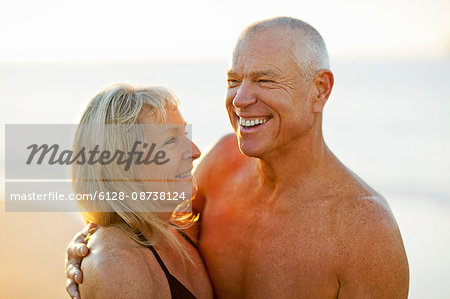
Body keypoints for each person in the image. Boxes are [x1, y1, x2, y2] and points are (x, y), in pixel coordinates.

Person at [66, 17, 409, 298]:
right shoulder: (221, 165)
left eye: (265, 79)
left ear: (319, 89)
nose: (241, 99)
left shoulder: (366, 232)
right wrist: (97, 242)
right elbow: (151, 225)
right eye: (233, 80)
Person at [69, 83, 213, 299]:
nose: (195, 152)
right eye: (171, 140)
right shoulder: (116, 268)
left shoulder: (177, 230)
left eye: (185, 134)